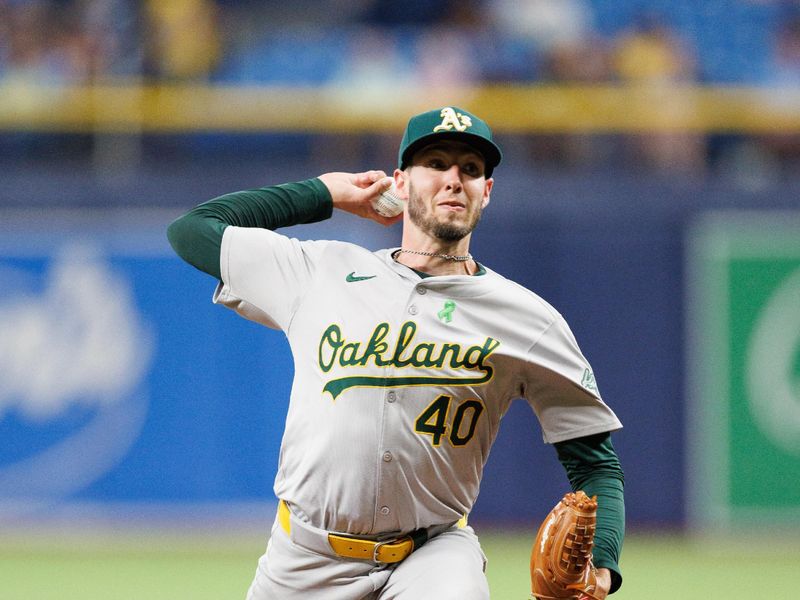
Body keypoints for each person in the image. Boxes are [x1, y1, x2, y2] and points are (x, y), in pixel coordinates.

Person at [167, 106, 625, 600]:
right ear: (401, 183)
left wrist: (601, 568)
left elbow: (596, 463)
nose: (454, 180)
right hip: (304, 558)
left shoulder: (528, 318)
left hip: (431, 555)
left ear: (486, 193)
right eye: (437, 163)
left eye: (471, 170)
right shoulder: (322, 271)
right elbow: (193, 230)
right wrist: (325, 192)